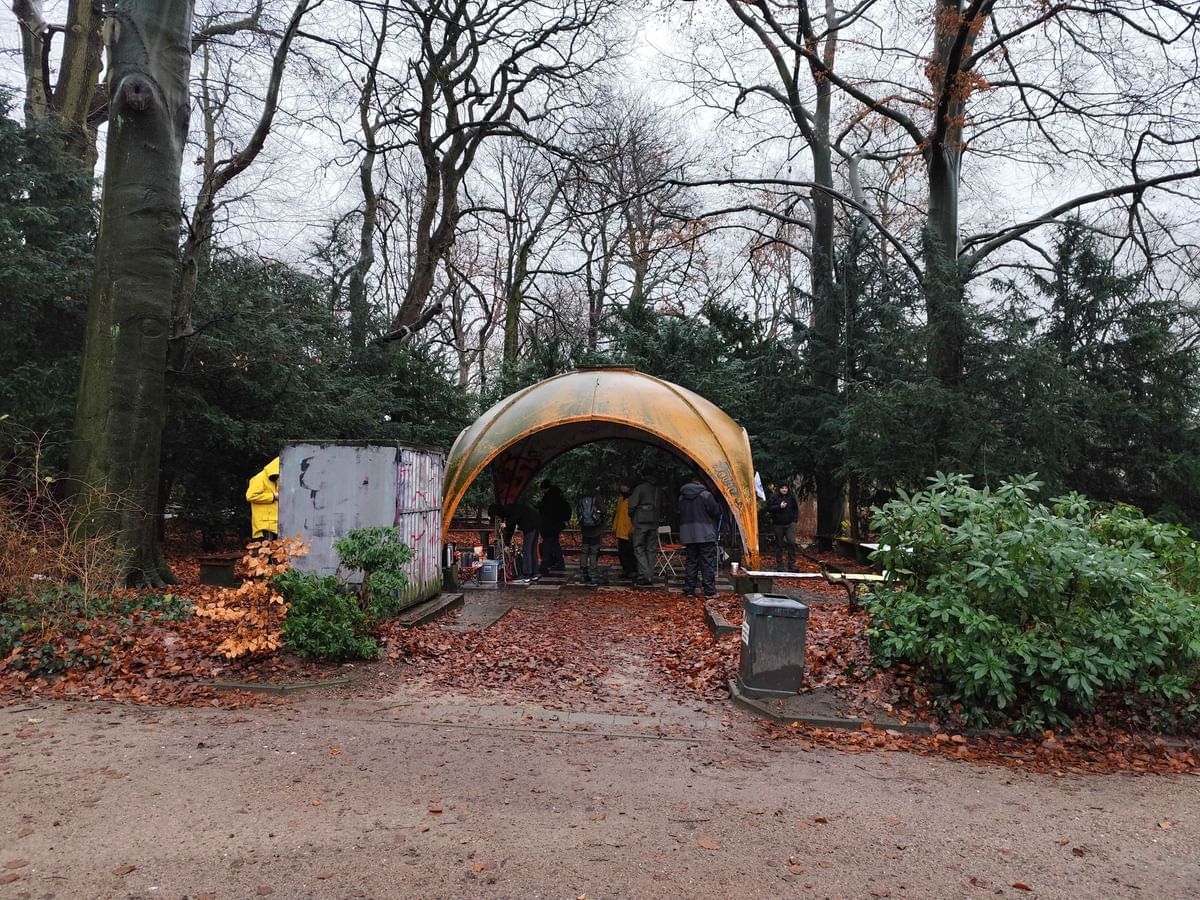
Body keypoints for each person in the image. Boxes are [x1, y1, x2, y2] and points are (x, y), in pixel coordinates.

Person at [678, 471, 722, 598]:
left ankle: (689, 590)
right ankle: (709, 591)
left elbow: (679, 512)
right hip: (705, 533)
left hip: (688, 534)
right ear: (701, 483)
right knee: (706, 562)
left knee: (691, 561)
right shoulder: (706, 495)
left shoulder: (681, 497)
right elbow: (715, 511)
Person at [488, 501, 542, 581]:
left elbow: (514, 518)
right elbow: (511, 527)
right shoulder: (510, 509)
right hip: (536, 523)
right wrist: (507, 541)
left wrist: (506, 524)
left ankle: (527, 573)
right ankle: (535, 572)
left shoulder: (508, 510)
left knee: (527, 549)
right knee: (532, 549)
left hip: (530, 525)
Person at [627, 474, 661, 586]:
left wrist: (631, 515)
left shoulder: (640, 488)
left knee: (638, 548)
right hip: (654, 522)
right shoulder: (657, 489)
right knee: (651, 549)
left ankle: (645, 574)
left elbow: (632, 505)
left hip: (640, 522)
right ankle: (649, 575)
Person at [536, 482, 571, 575]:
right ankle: (560, 563)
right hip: (556, 525)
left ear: (545, 488)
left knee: (547, 544)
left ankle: (545, 564)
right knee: (555, 543)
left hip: (550, 526)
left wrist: (540, 506)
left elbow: (548, 511)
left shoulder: (549, 498)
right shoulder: (557, 496)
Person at [246, 456, 280, 540]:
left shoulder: (276, 478)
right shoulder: (259, 478)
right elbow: (250, 496)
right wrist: (273, 496)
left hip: (275, 522)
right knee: (267, 546)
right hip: (264, 524)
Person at [768, 481, 799, 571]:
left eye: (786, 488)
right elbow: (769, 508)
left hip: (790, 524)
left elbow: (795, 509)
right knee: (779, 545)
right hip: (778, 524)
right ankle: (780, 565)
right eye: (782, 488)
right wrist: (779, 506)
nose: (784, 490)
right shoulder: (774, 497)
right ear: (779, 489)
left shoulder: (791, 497)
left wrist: (795, 520)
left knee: (791, 542)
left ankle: (792, 565)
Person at [576, 489, 606, 584]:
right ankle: (593, 575)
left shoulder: (581, 497)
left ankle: (583, 574)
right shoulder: (597, 497)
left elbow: (578, 511)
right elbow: (603, 510)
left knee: (584, 551)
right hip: (595, 529)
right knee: (593, 552)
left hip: (585, 529)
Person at [612, 483, 636, 578]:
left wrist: (632, 529)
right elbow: (617, 514)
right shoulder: (620, 499)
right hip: (620, 530)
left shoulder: (632, 499)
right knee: (622, 552)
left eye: (625, 486)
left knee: (630, 551)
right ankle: (625, 569)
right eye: (621, 486)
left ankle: (633, 570)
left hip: (629, 530)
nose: (622, 488)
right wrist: (614, 527)